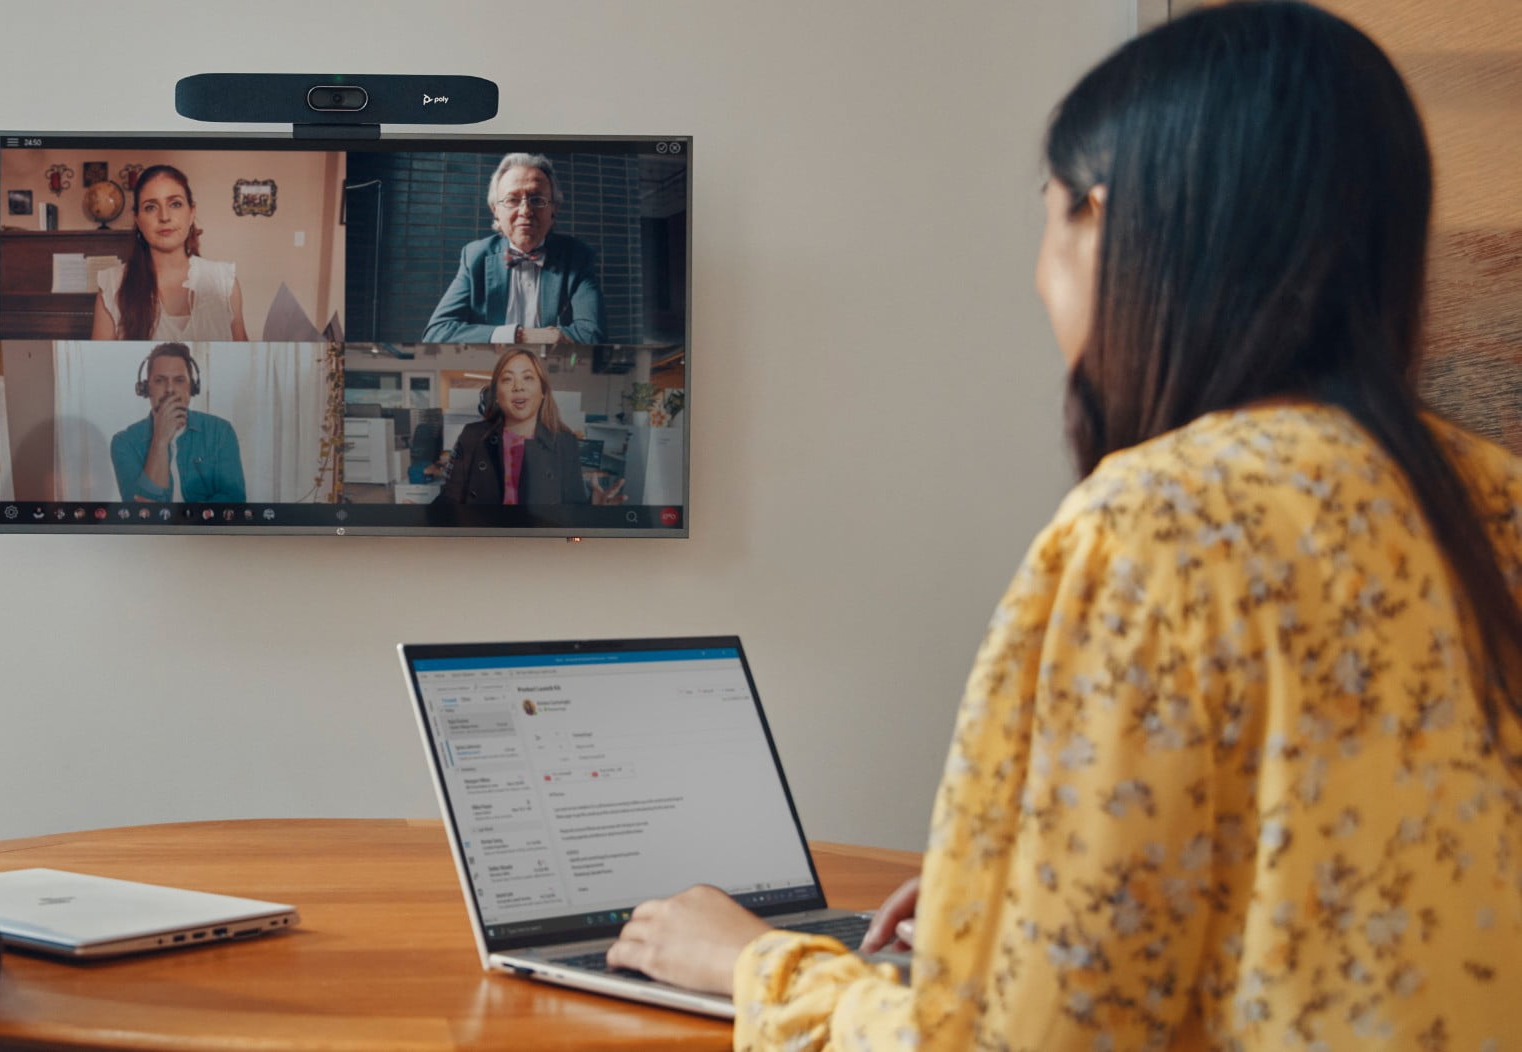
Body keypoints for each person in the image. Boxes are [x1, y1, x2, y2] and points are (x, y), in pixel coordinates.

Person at [605, 4, 1522, 1048]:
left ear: (1107, 222)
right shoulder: (1496, 497)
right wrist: (1008, 900)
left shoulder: (1154, 522)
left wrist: (757, 963)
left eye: (1045, 215)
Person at [422, 154, 605, 345]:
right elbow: (437, 332)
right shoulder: (475, 256)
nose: (525, 211)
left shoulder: (578, 255)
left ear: (554, 209)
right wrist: (520, 336)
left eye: (537, 200)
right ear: (496, 211)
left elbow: (592, 334)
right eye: (512, 200)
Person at [435, 349, 621, 505]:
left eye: (528, 378)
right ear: (497, 395)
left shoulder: (565, 443)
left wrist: (592, 508)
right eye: (508, 379)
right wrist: (423, 516)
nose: (518, 387)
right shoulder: (472, 436)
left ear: (543, 392)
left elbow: (572, 516)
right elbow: (448, 501)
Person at [90, 164, 250, 341]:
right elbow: (99, 366)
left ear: (191, 213)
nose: (164, 217)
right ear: (138, 220)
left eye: (175, 204)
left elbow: (243, 361)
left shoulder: (225, 282)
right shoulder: (112, 285)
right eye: (151, 207)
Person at [110, 342, 246, 503]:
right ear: (146, 388)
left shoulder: (221, 432)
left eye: (179, 380)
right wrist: (160, 441)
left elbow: (233, 502)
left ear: (192, 387)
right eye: (160, 380)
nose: (170, 389)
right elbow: (141, 512)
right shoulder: (124, 442)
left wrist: (184, 523)